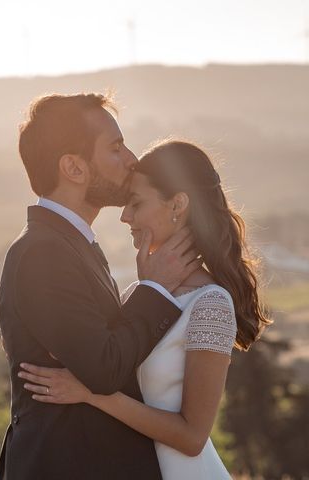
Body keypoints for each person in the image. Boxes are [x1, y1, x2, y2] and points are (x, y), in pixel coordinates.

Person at [19, 140, 271, 479]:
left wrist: (92, 395)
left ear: (177, 205)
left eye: (136, 203)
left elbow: (192, 436)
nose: (125, 216)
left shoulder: (210, 304)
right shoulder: (137, 294)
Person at [0, 94, 200, 480]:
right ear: (73, 167)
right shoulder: (43, 253)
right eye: (116, 148)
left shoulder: (71, 244)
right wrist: (154, 289)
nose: (132, 160)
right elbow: (103, 367)